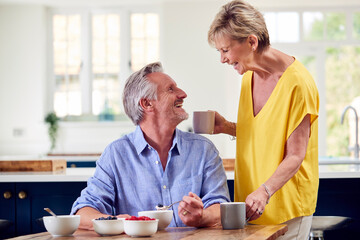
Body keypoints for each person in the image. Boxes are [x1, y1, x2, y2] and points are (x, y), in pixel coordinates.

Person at [70, 62, 230, 230]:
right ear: (147, 104)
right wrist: (118, 222)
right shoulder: (116, 154)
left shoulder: (203, 149)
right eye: (171, 89)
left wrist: (203, 216)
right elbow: (82, 212)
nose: (183, 94)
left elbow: (220, 205)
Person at [207, 1, 319, 239]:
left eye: (225, 50)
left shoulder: (298, 84)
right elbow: (266, 132)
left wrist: (265, 191)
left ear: (251, 41)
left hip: (285, 208)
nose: (222, 59)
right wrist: (226, 127)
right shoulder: (249, 76)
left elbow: (296, 154)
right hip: (251, 206)